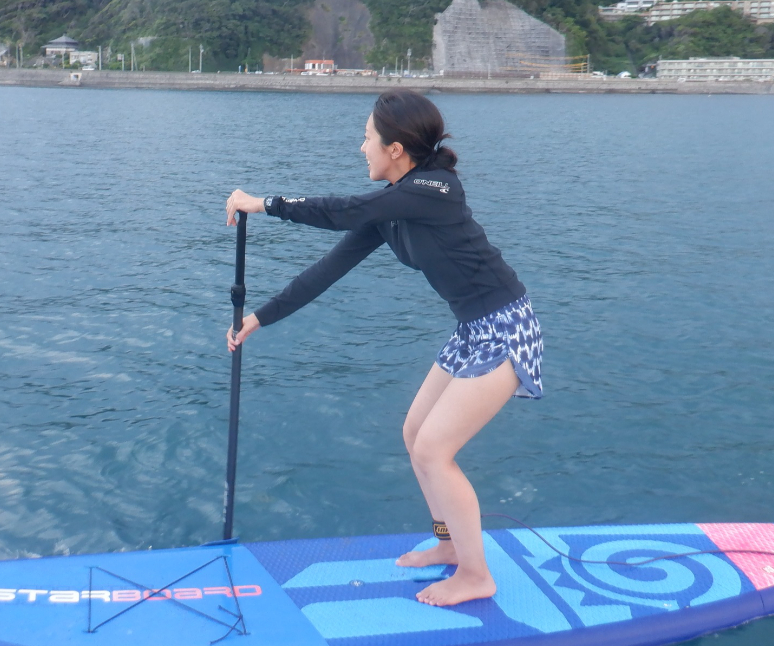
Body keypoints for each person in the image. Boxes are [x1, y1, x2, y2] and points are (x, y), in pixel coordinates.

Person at [224, 89, 543, 607]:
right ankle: (449, 548)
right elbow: (325, 271)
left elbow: (341, 209)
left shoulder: (435, 189)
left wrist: (263, 204)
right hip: (472, 331)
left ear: (396, 149)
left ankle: (476, 574)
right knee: (414, 433)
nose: (361, 147)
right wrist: (257, 320)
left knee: (436, 450)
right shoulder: (391, 208)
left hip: (506, 328)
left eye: (369, 138)